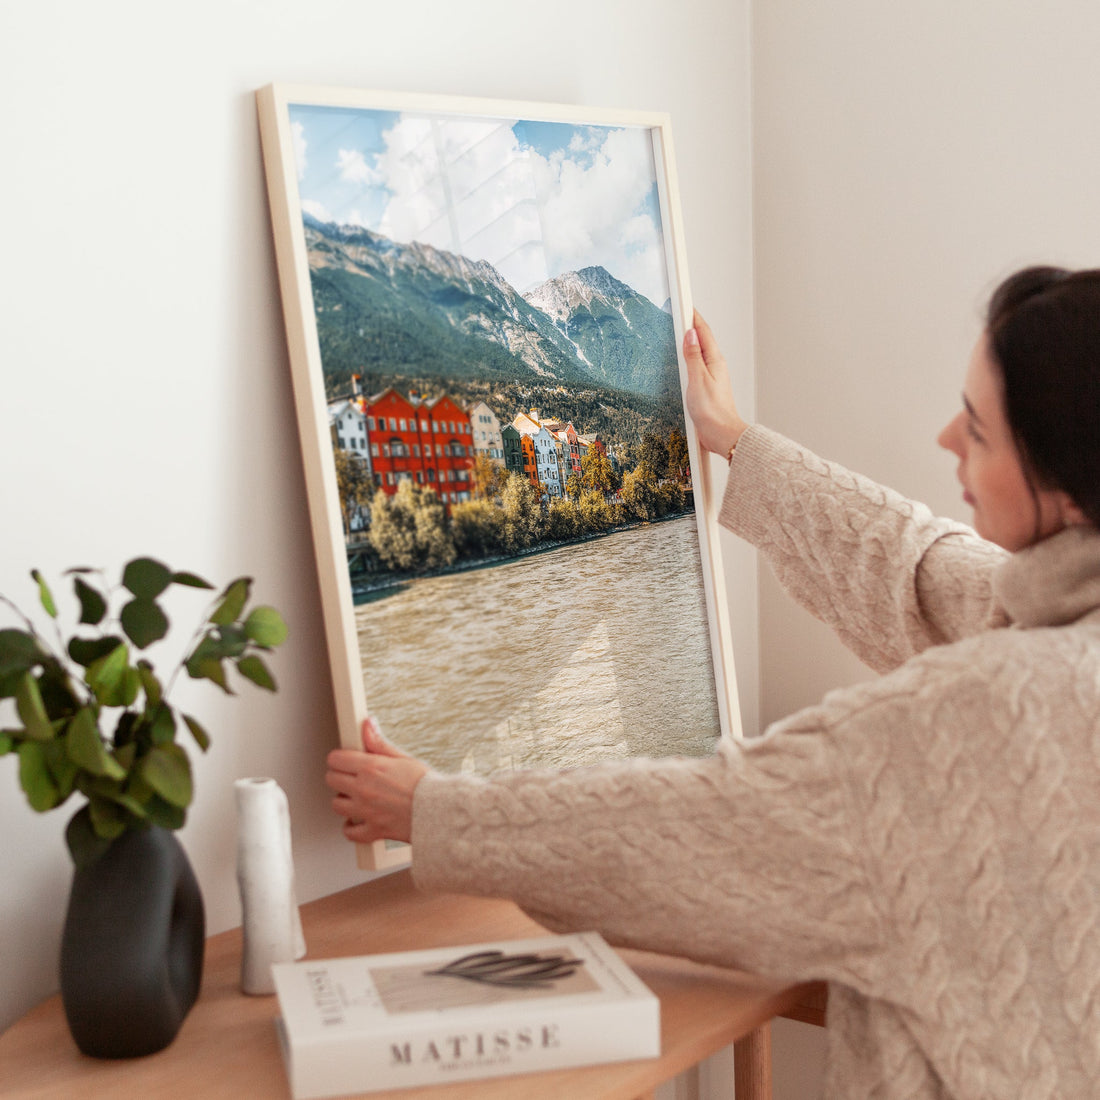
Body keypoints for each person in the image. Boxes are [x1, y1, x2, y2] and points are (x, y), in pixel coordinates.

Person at [326, 266, 1100, 1099]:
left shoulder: (981, 714)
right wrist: (733, 439)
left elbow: (707, 824)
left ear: (1065, 487)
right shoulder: (1060, 622)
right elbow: (916, 568)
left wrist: (434, 812)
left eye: (980, 431)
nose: (948, 437)